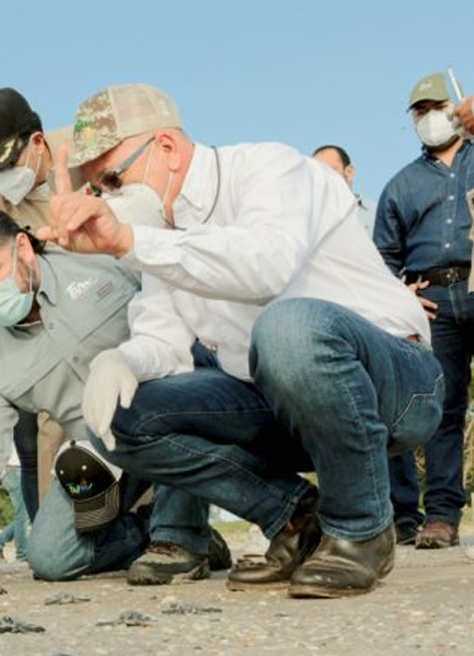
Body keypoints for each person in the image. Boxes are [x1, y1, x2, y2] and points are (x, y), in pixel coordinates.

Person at [41, 83, 439, 599]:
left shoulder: (271, 168)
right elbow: (164, 339)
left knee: (288, 328)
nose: (109, 200)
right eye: (98, 189)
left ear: (165, 147)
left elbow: (265, 267)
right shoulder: (161, 234)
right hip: (278, 402)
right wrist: (121, 359)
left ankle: (360, 529)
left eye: (113, 179)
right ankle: (296, 519)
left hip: (392, 384)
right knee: (120, 415)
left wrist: (130, 241)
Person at [0, 207, 225, 583]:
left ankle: (177, 537)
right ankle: (158, 533)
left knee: (179, 390)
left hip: (166, 410)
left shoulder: (97, 263)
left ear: (22, 247)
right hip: (99, 450)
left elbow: (170, 292)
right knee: (50, 559)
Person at [0, 88, 81, 519]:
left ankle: (170, 527)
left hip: (121, 308)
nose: (4, 177)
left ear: (36, 141)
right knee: (52, 429)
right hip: (53, 325)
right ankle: (65, 529)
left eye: (8, 163)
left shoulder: (88, 148)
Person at [374, 73, 474, 550]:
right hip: (435, 304)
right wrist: (401, 297)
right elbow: (379, 262)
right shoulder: (400, 186)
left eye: (438, 105)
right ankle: (440, 515)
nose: (430, 117)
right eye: (420, 110)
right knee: (443, 410)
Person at [313, 144, 421, 545]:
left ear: (349, 173)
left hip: (384, 327)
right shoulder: (310, 227)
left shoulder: (374, 213)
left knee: (390, 420)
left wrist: (408, 294)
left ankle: (406, 514)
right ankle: (355, 515)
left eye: (329, 170)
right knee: (348, 419)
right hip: (338, 333)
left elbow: (399, 258)